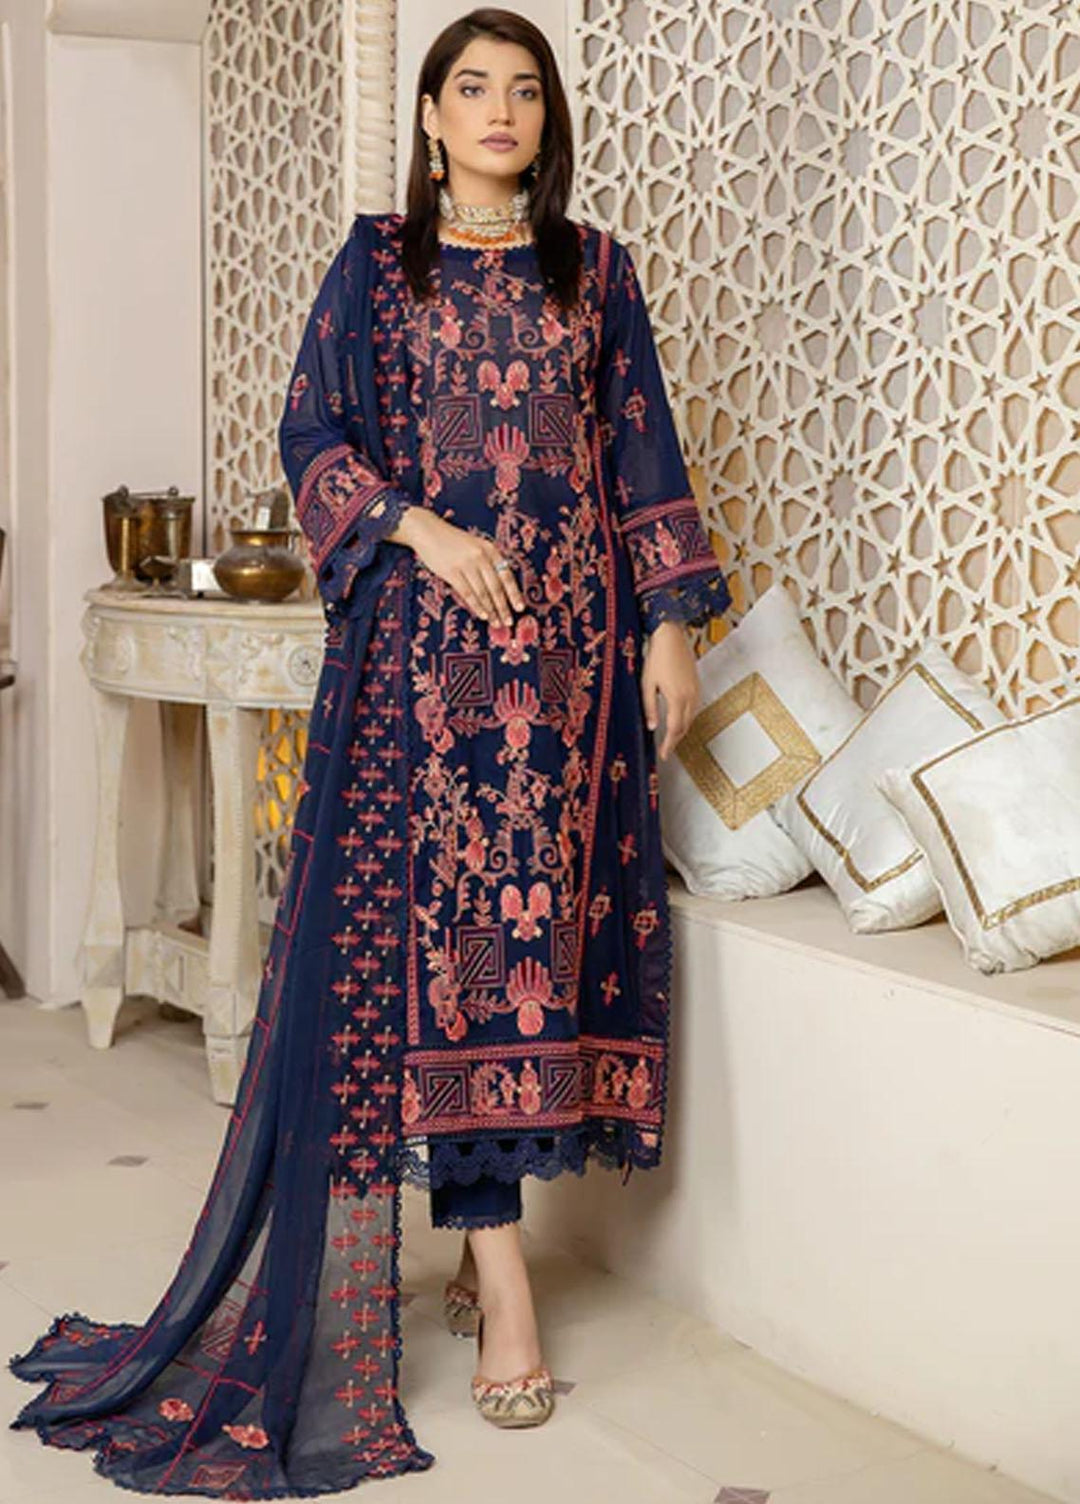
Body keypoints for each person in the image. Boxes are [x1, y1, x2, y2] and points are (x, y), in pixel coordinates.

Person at [8, 5, 731, 1494]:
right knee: (453, 954)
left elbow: (642, 447)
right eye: (472, 87)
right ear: (430, 118)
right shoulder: (378, 265)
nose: (500, 110)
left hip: (574, 675)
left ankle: (480, 1237)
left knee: (542, 951)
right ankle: (506, 1285)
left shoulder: (597, 273)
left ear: (546, 120)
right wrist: (420, 528)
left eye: (524, 90)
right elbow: (313, 438)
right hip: (425, 673)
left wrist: (671, 625)